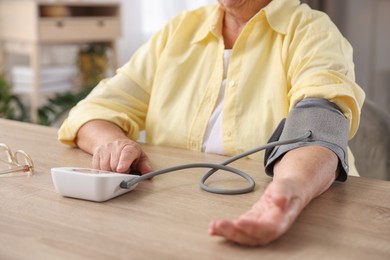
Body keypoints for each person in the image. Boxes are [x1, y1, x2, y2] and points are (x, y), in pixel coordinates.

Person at [58, 0, 365, 246]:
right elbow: (95, 109)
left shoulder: (313, 30)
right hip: (172, 215)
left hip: (305, 213)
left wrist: (288, 190)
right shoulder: (177, 31)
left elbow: (320, 120)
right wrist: (113, 143)